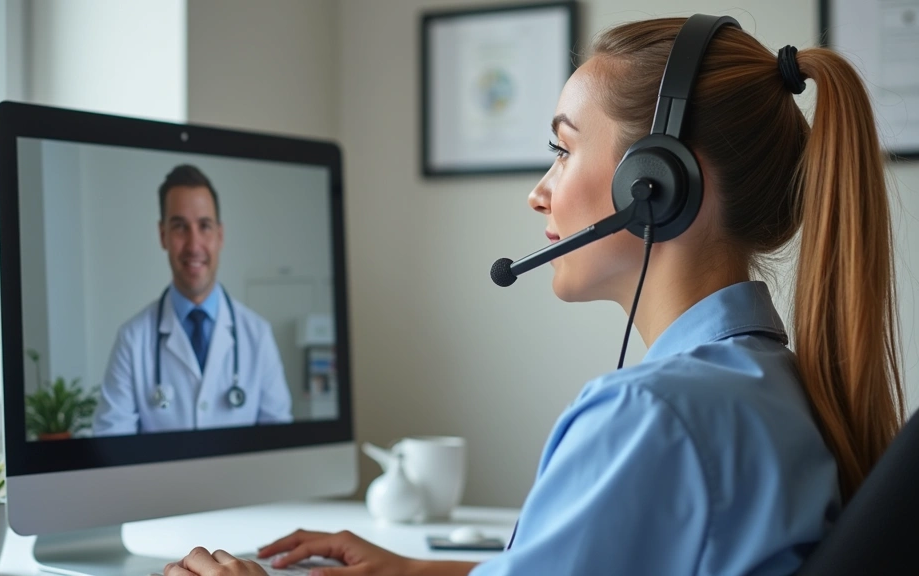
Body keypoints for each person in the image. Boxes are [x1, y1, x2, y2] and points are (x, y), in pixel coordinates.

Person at [162, 15, 905, 575]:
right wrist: (420, 570)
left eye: (562, 148)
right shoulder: (776, 386)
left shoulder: (651, 416)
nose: (538, 194)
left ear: (657, 184)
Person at [94, 164, 292, 435]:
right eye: (179, 227)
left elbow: (279, 448)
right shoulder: (132, 340)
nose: (194, 244)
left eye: (204, 226)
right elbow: (110, 451)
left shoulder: (257, 335)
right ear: (162, 235)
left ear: (220, 235)